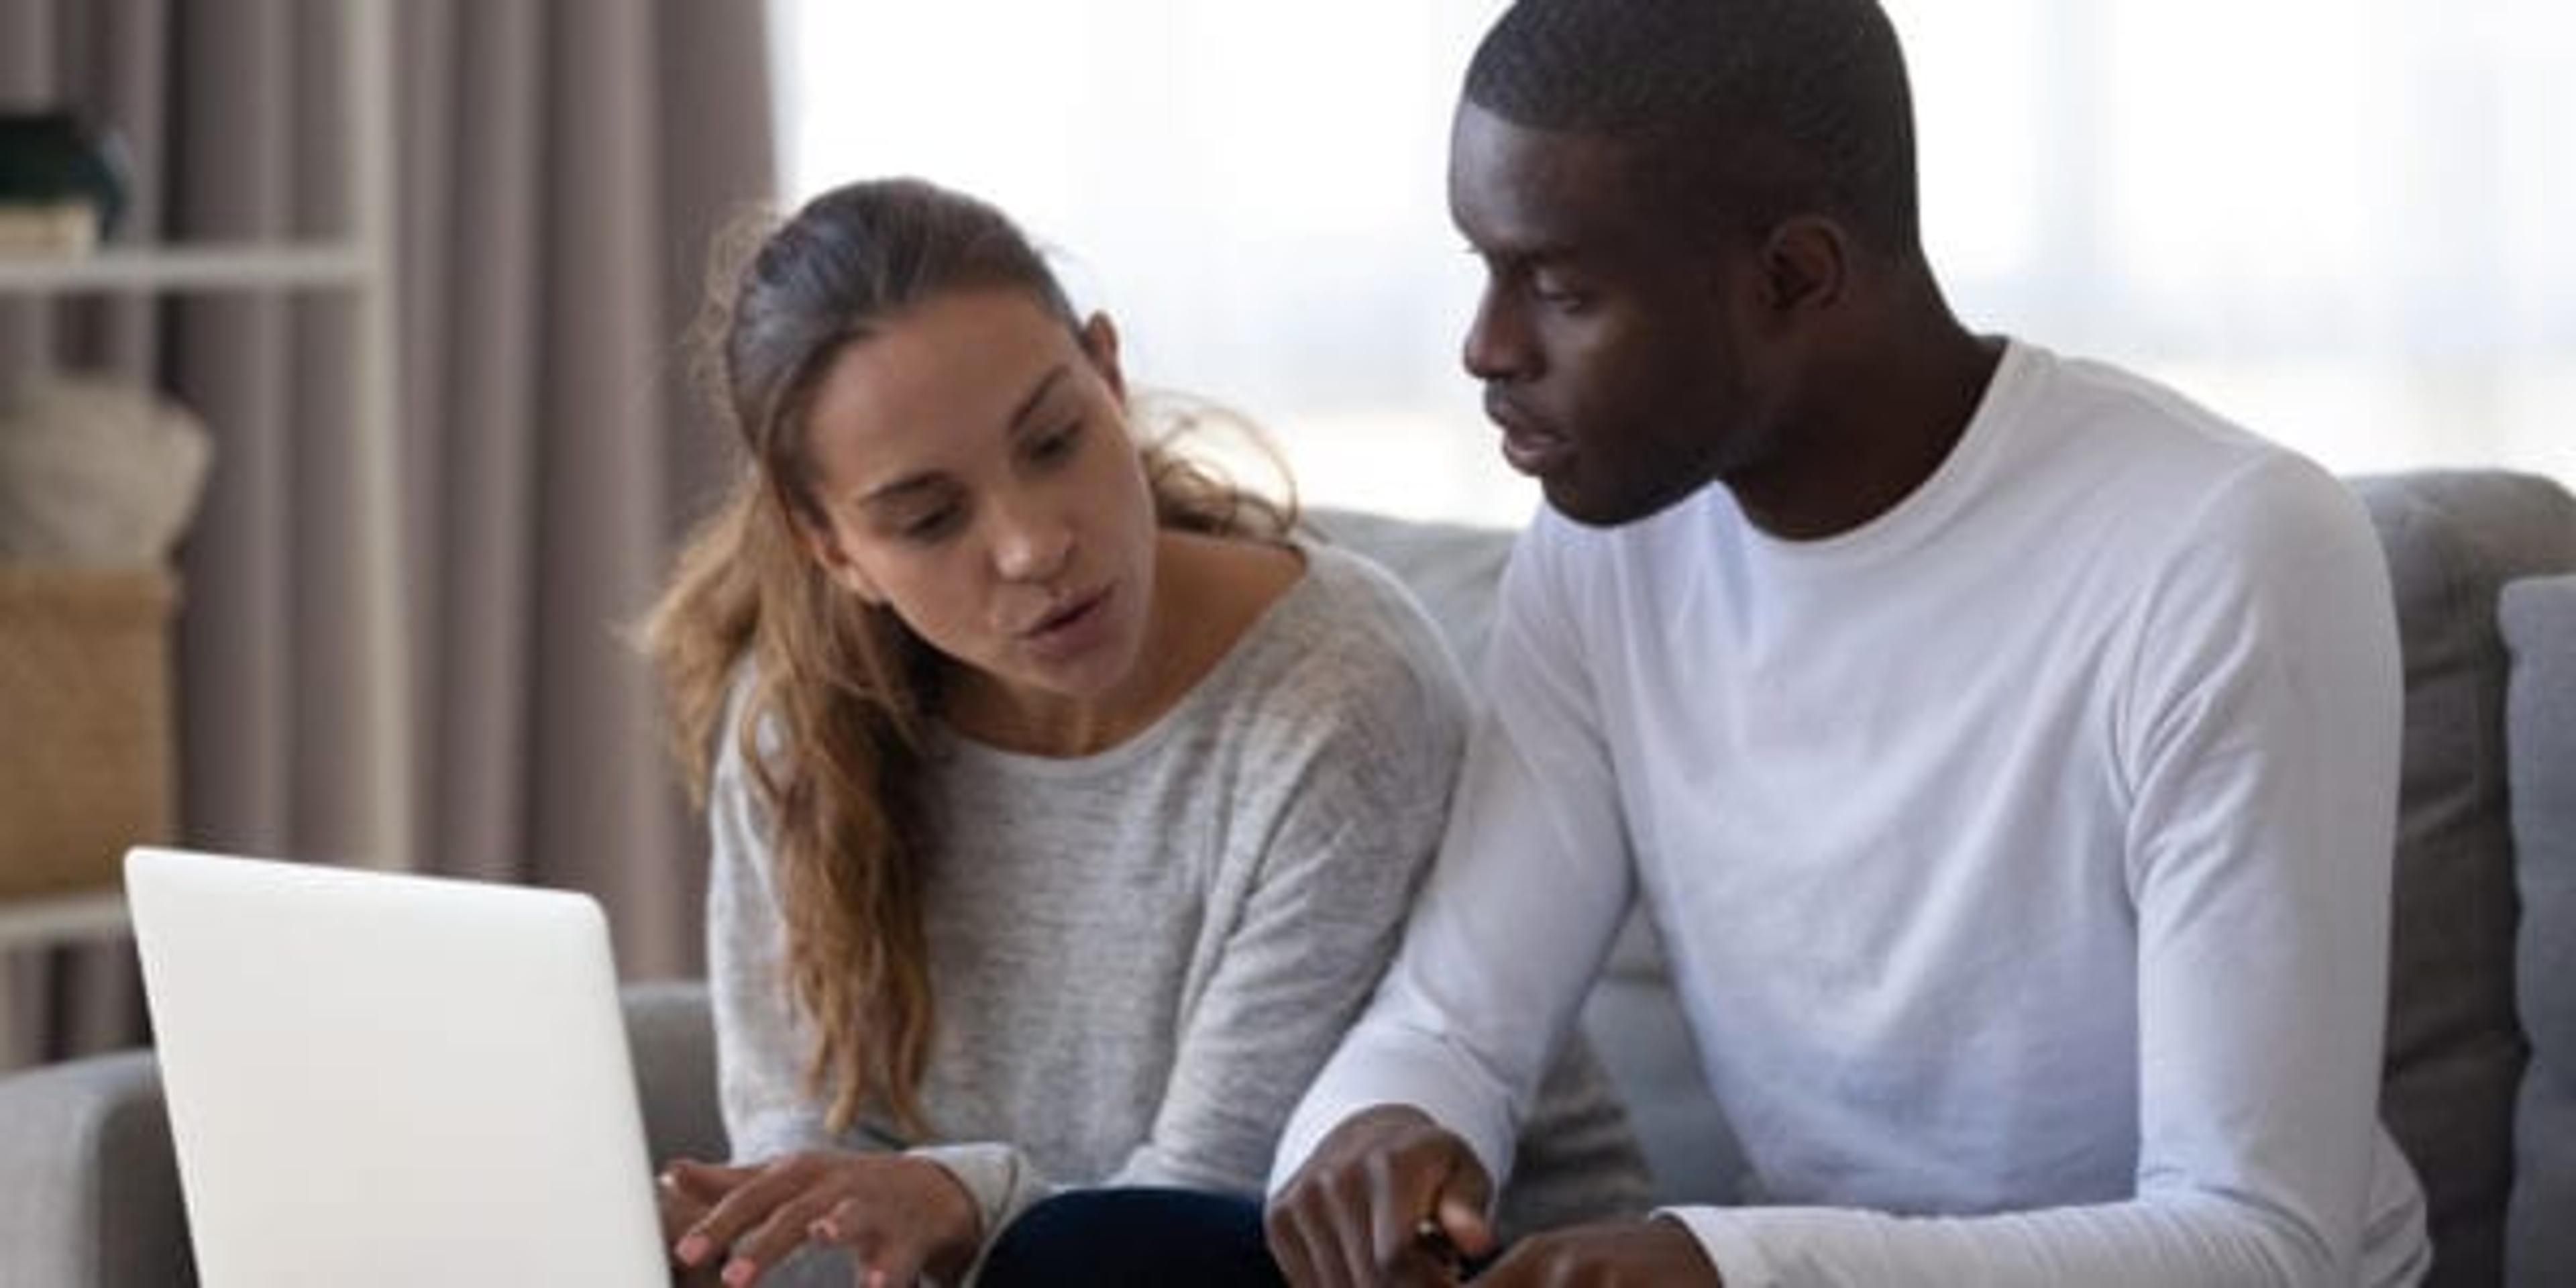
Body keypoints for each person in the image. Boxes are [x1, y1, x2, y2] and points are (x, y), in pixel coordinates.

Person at [1264, 1, 2434, 1285]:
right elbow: (1451, 1024)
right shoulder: (1607, 551)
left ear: (1797, 275)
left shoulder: (2226, 548)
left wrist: (1733, 1270)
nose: (1484, 348)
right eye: (1481, 268)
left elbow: (2265, 1245)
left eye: (1558, 287)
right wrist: (1379, 1131)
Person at [639, 177, 1647, 1288]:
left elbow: (1192, 1212)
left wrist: (959, 1200)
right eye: (928, 518)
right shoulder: (798, 730)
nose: (1032, 546)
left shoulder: (1337, 696)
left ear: (1110, 377)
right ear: (827, 545)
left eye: (1057, 441)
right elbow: (798, 1154)